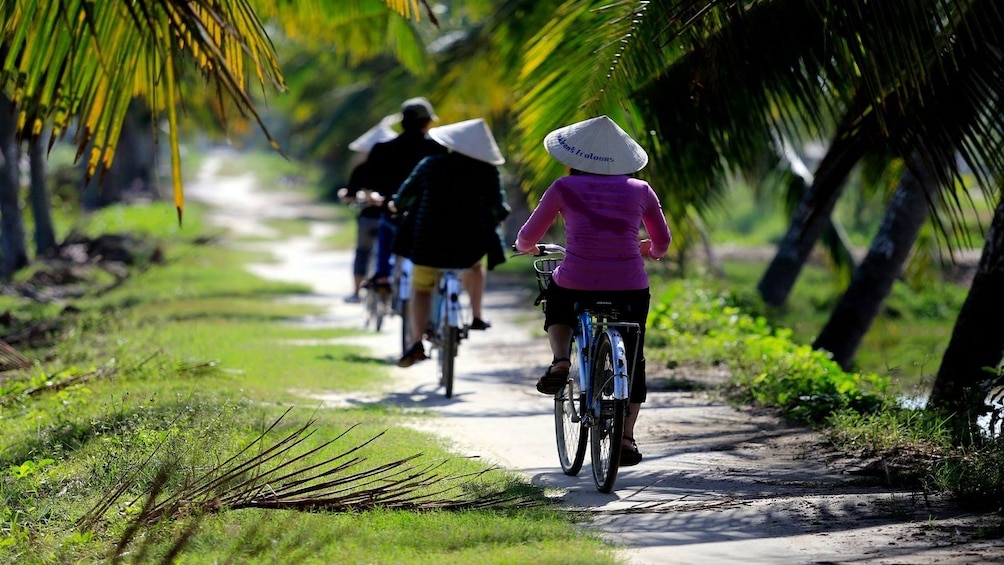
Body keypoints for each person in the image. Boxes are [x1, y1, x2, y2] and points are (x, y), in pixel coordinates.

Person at [514, 115, 671, 467]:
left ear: (575, 159)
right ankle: (626, 438)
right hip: (630, 285)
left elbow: (528, 237)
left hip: (578, 278)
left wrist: (527, 248)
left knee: (557, 296)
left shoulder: (563, 188)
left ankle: (560, 359)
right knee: (633, 358)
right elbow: (662, 242)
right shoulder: (641, 190)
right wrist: (650, 250)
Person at [390, 118, 511, 368]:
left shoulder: (430, 165)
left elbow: (404, 195)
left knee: (422, 289)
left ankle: (415, 342)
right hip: (468, 248)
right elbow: (499, 209)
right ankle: (476, 316)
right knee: (476, 267)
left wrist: (396, 205)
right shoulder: (488, 172)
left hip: (426, 245)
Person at [355, 97, 447, 291]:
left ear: (402, 121)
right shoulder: (437, 149)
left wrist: (371, 196)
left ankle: (382, 274)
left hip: (393, 212)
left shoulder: (382, 148)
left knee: (385, 226)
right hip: (427, 216)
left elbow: (367, 183)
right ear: (426, 122)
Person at [337, 116, 399, 303]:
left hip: (368, 219)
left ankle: (357, 292)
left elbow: (350, 193)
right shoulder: (396, 168)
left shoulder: (362, 169)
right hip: (392, 217)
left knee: (362, 252)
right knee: (393, 253)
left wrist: (345, 196)